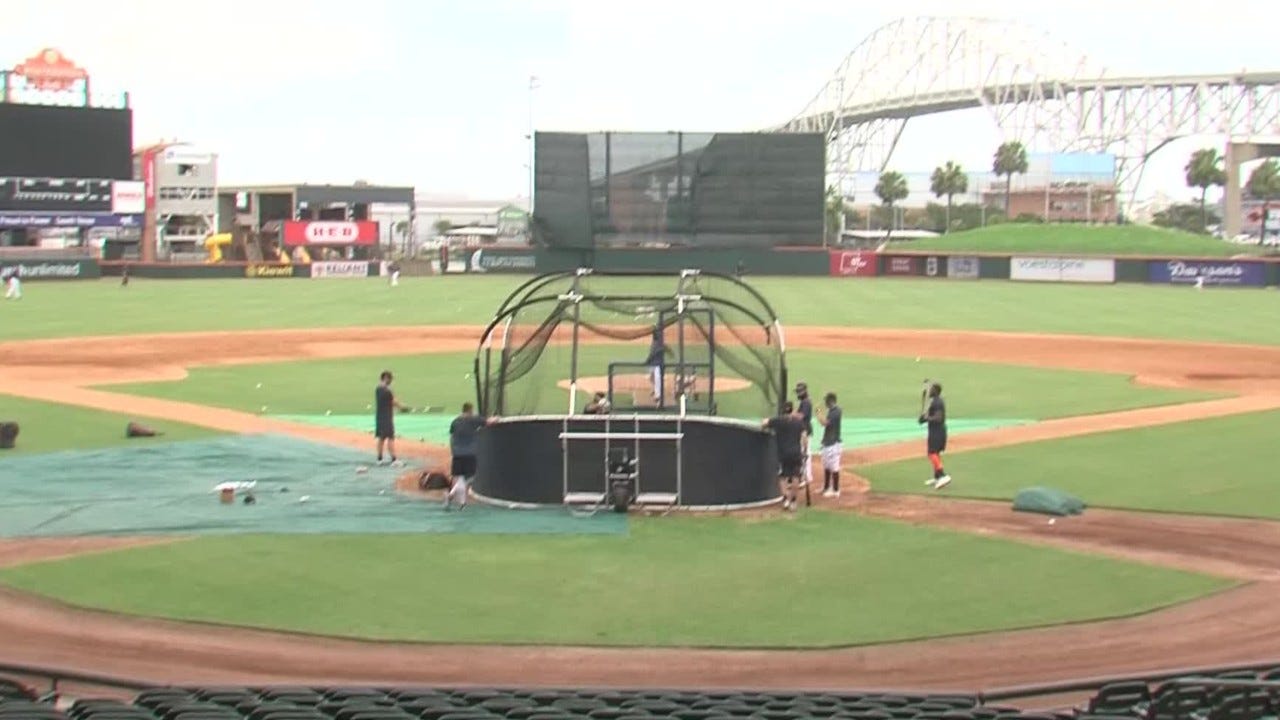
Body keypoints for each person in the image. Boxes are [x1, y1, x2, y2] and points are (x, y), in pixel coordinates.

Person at [763, 401, 808, 511]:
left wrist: (767, 425)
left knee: (783, 476)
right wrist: (804, 451)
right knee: (796, 476)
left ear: (782, 410)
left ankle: (785, 499)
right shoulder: (798, 422)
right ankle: (793, 501)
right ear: (792, 410)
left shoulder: (778, 421)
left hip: (783, 453)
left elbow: (764, 423)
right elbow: (804, 437)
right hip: (796, 453)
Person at [447, 402, 492, 510]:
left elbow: (452, 435)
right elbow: (489, 422)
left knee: (461, 478)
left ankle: (461, 502)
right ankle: (456, 496)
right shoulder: (473, 420)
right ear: (470, 410)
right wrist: (497, 419)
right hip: (469, 453)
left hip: (457, 454)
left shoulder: (455, 421)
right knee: (470, 477)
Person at [920, 382, 951, 489]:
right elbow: (931, 416)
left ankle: (943, 475)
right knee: (935, 453)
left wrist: (926, 419)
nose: (929, 392)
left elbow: (938, 418)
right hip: (937, 431)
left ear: (936, 391)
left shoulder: (937, 402)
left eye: (931, 390)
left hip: (937, 432)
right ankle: (937, 477)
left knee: (932, 453)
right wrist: (924, 419)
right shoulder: (935, 401)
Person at [374, 370, 409, 466]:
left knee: (381, 438)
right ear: (386, 378)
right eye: (390, 379)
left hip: (379, 417)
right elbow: (394, 402)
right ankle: (394, 459)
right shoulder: (386, 390)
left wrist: (400, 407)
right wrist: (403, 408)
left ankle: (379, 459)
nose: (390, 381)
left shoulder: (378, 389)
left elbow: (389, 402)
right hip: (387, 417)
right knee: (390, 437)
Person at [816, 392, 843, 497]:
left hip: (833, 444)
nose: (825, 403)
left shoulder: (836, 411)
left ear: (830, 401)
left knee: (834, 466)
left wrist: (818, 412)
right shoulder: (832, 411)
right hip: (828, 442)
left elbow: (824, 423)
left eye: (826, 400)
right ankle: (826, 487)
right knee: (826, 465)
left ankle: (836, 490)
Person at [794, 382, 815, 490]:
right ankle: (804, 477)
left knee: (805, 454)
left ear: (804, 391)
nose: (797, 393)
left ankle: (806, 477)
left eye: (799, 391)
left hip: (805, 432)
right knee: (803, 454)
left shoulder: (806, 402)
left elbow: (801, 416)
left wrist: (791, 415)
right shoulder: (804, 402)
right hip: (803, 431)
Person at [645, 324, 666, 402]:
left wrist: (647, 360)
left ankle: (658, 395)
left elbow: (654, 353)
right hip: (653, 363)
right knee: (651, 378)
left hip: (657, 363)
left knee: (657, 378)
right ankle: (655, 390)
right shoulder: (655, 341)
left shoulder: (659, 342)